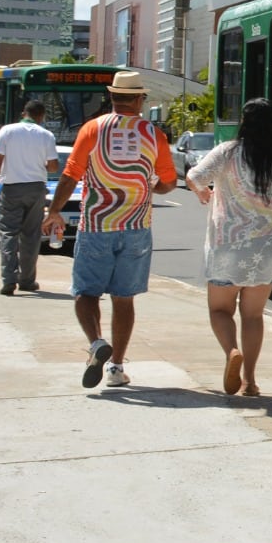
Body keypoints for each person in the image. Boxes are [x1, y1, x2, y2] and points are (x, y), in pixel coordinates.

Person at [43, 71, 176, 389]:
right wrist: (149, 187)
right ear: (139, 99)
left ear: (112, 96)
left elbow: (71, 175)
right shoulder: (153, 134)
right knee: (124, 298)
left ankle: (95, 343)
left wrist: (54, 210)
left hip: (97, 225)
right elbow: (169, 182)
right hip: (137, 227)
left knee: (85, 293)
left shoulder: (92, 129)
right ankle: (116, 367)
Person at [184, 98, 272, 397]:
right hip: (267, 247)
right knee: (253, 316)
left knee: (219, 310)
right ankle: (250, 381)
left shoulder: (226, 153)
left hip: (228, 245)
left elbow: (193, 176)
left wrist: (203, 191)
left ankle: (231, 352)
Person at [0, 99, 60, 296]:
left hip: (12, 188)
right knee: (31, 236)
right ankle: (27, 280)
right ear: (42, 116)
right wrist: (41, 164)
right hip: (36, 189)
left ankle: (8, 280)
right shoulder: (46, 135)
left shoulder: (7, 131)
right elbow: (53, 166)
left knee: (8, 233)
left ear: (24, 113)